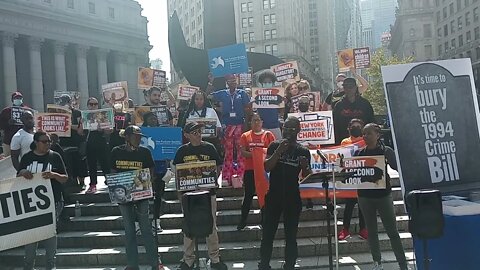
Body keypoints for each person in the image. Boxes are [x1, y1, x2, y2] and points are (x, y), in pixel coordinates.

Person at [259, 116, 312, 270]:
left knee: (291, 236)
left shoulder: (303, 150)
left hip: (292, 197)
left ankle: (289, 265)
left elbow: (307, 176)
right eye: (285, 128)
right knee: (268, 234)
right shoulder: (274, 145)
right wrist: (278, 152)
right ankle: (263, 264)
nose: (288, 131)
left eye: (292, 129)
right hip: (274, 195)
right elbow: (267, 167)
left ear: (298, 131)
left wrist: (304, 166)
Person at [173, 122, 227, 270]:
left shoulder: (209, 147)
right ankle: (188, 260)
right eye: (194, 132)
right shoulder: (181, 151)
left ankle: (215, 259)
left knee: (211, 226)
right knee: (188, 227)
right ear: (187, 135)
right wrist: (179, 195)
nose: (198, 134)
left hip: (208, 193)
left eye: (199, 131)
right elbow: (177, 173)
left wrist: (212, 179)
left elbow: (218, 166)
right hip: (188, 195)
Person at [356, 123, 409, 270]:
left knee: (392, 231)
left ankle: (403, 264)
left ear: (377, 135)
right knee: (371, 231)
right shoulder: (359, 153)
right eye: (363, 133)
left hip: (383, 195)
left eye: (368, 133)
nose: (365, 136)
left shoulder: (386, 151)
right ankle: (377, 262)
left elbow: (398, 167)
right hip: (365, 197)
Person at [110, 125, 163, 270]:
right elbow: (112, 172)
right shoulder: (116, 151)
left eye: (140, 137)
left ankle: (155, 263)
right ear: (127, 137)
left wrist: (147, 182)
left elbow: (152, 171)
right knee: (129, 230)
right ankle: (132, 264)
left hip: (142, 195)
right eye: (135, 136)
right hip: (124, 197)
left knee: (146, 228)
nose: (139, 139)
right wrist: (118, 190)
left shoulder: (145, 152)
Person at [18, 131, 68, 270]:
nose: (47, 144)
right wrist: (22, 173)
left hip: (54, 201)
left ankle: (50, 265)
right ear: (36, 142)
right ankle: (28, 265)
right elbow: (17, 179)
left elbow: (65, 178)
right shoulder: (27, 157)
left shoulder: (55, 156)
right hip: (31, 203)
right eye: (44, 141)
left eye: (49, 142)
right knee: (31, 234)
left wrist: (54, 175)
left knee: (49, 232)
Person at [237, 113, 275, 230]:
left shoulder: (268, 135)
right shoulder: (245, 136)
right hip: (250, 170)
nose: (256, 122)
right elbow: (243, 152)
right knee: (248, 196)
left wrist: (259, 154)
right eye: (254, 120)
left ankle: (265, 221)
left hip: (264, 170)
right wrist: (256, 154)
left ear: (262, 122)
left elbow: (273, 152)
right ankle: (242, 221)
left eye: (258, 120)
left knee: (265, 196)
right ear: (250, 123)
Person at [210, 74, 251, 185]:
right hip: (228, 125)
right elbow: (208, 96)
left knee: (240, 151)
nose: (232, 82)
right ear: (226, 82)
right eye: (229, 81)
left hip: (240, 124)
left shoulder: (242, 93)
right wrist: (210, 82)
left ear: (236, 81)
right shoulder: (223, 93)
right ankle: (226, 177)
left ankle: (241, 176)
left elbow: (248, 109)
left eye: (234, 80)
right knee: (228, 152)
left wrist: (246, 124)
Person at [337, 119, 367, 241]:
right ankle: (345, 229)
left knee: (362, 206)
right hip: (350, 176)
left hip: (362, 175)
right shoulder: (345, 142)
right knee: (349, 205)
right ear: (349, 128)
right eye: (353, 126)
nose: (356, 128)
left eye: (358, 126)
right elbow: (341, 157)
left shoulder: (365, 141)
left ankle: (363, 229)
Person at [141, 112, 167, 233]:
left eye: (155, 119)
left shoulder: (162, 133)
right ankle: (141, 222)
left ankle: (156, 220)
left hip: (161, 168)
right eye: (151, 119)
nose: (154, 121)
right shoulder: (141, 135)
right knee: (143, 197)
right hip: (145, 170)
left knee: (159, 196)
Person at [333, 77, 375, 145]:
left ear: (356, 87)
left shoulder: (365, 104)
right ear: (344, 88)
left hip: (363, 141)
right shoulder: (339, 105)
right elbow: (335, 125)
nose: (349, 89)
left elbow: (372, 123)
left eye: (351, 87)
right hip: (344, 142)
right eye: (346, 87)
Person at [59, 94, 88, 189]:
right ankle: (72, 181)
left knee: (79, 162)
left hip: (76, 141)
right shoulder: (58, 114)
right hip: (64, 142)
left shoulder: (77, 113)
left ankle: (82, 181)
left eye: (67, 102)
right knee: (68, 163)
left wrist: (68, 124)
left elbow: (81, 130)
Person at [85, 97, 111, 194]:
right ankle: (92, 185)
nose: (93, 106)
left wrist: (103, 128)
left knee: (105, 163)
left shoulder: (103, 115)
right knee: (91, 164)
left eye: (95, 104)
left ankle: (110, 182)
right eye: (91, 104)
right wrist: (83, 125)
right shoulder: (85, 116)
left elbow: (109, 131)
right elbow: (80, 132)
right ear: (88, 105)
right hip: (90, 141)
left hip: (101, 140)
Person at [255, 69, 282, 140]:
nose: (267, 84)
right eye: (265, 82)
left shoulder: (278, 96)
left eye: (269, 82)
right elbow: (252, 110)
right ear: (261, 83)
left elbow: (282, 111)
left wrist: (283, 101)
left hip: (275, 126)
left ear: (273, 83)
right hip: (262, 127)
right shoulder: (256, 96)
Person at [0, 91, 28, 156]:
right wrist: (8, 123)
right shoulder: (6, 111)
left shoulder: (27, 110)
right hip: (9, 140)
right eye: (16, 98)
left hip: (24, 141)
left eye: (19, 98)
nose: (18, 100)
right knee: (8, 161)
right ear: (12, 100)